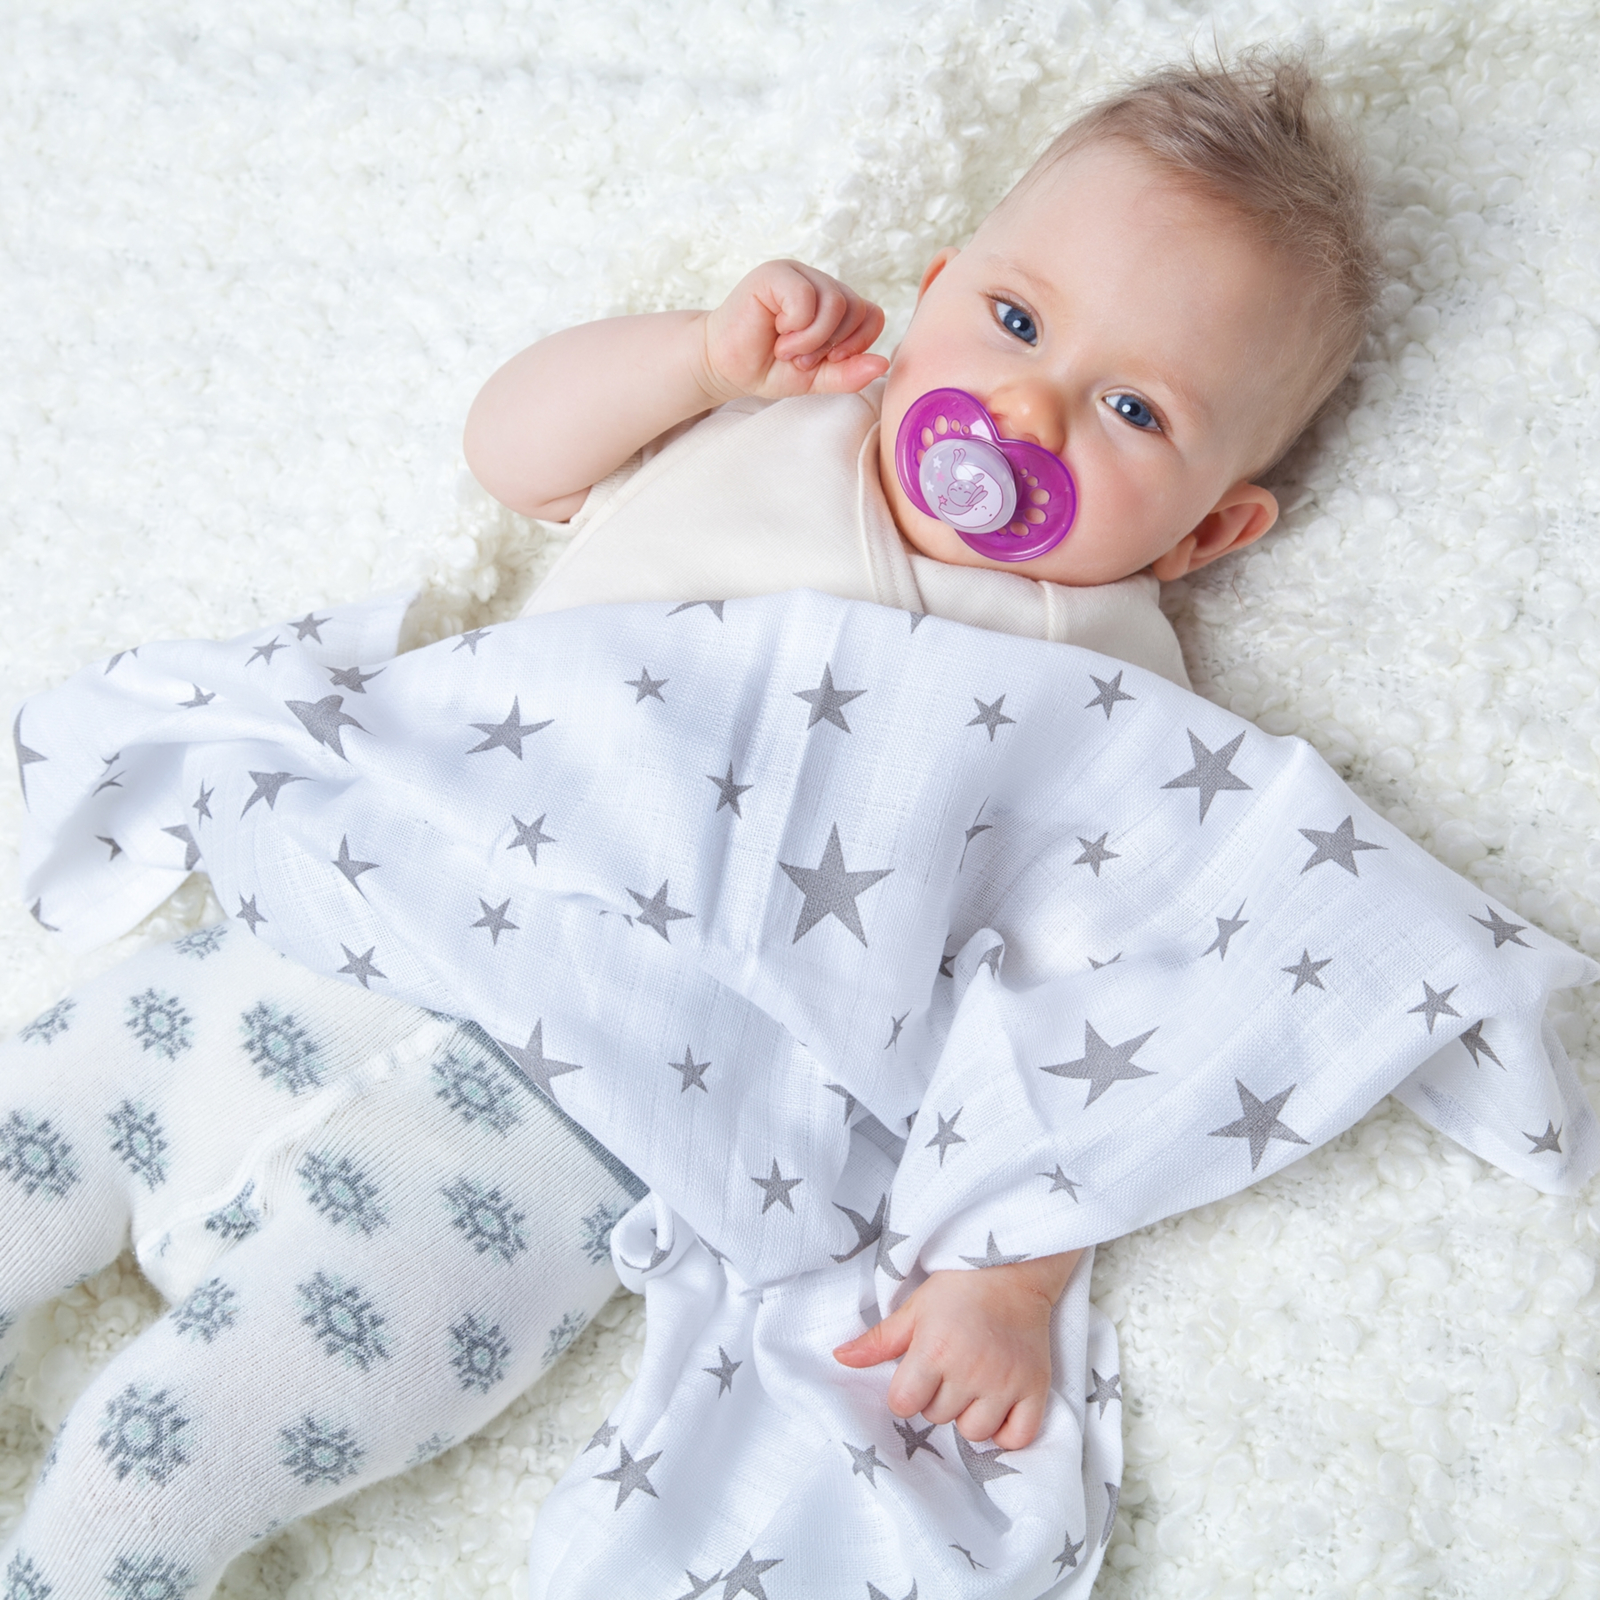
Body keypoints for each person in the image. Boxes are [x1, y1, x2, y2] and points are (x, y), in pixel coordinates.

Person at [0, 52, 1379, 1598]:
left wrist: (1009, 1281)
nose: (1026, 408)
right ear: (933, 291)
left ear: (1212, 527)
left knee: (175, 1459)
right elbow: (514, 452)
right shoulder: (769, 425)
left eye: (1133, 409)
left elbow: (1090, 1029)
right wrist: (697, 358)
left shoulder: (1117, 707)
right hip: (337, 928)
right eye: (1012, 320)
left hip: (552, 1156)